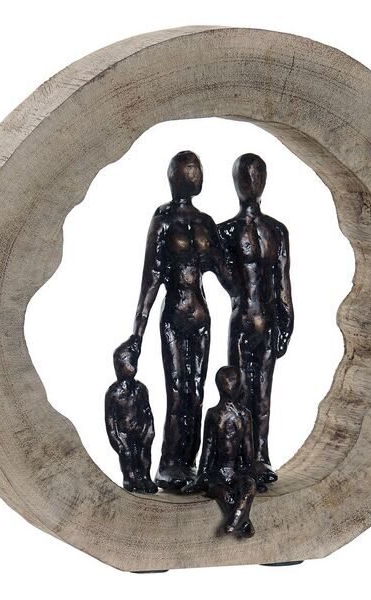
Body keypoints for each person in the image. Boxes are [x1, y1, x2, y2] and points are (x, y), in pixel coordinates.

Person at [131, 151, 232, 491]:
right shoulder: (163, 220)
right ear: (174, 175)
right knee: (177, 389)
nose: (195, 175)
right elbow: (150, 279)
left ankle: (191, 462)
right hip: (174, 314)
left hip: (200, 314)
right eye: (189, 170)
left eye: (197, 169)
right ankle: (170, 463)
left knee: (197, 389)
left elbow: (226, 273)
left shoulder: (205, 222)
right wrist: (137, 334)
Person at [217, 153, 294, 485]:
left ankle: (260, 456)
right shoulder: (225, 231)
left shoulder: (276, 231)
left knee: (262, 392)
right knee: (237, 390)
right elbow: (222, 274)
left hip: (267, 320)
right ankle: (238, 457)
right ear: (235, 183)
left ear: (265, 181)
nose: (251, 183)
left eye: (257, 176)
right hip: (242, 319)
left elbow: (282, 282)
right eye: (245, 177)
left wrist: (287, 322)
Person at [182, 366, 259, 537]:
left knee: (249, 487)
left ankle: (233, 523)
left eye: (233, 381)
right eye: (227, 382)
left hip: (237, 472)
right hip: (216, 474)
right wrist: (201, 477)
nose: (230, 386)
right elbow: (207, 450)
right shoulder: (213, 414)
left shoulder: (244, 415)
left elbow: (248, 453)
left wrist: (252, 476)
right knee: (224, 494)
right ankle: (243, 523)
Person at [105, 337, 157, 494]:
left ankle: (145, 478)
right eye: (129, 362)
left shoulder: (140, 389)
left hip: (141, 431)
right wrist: (116, 439)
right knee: (128, 457)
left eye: (133, 362)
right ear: (119, 365)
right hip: (123, 435)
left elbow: (147, 411)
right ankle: (131, 479)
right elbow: (110, 420)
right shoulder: (113, 393)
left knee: (144, 455)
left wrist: (149, 429)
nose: (132, 366)